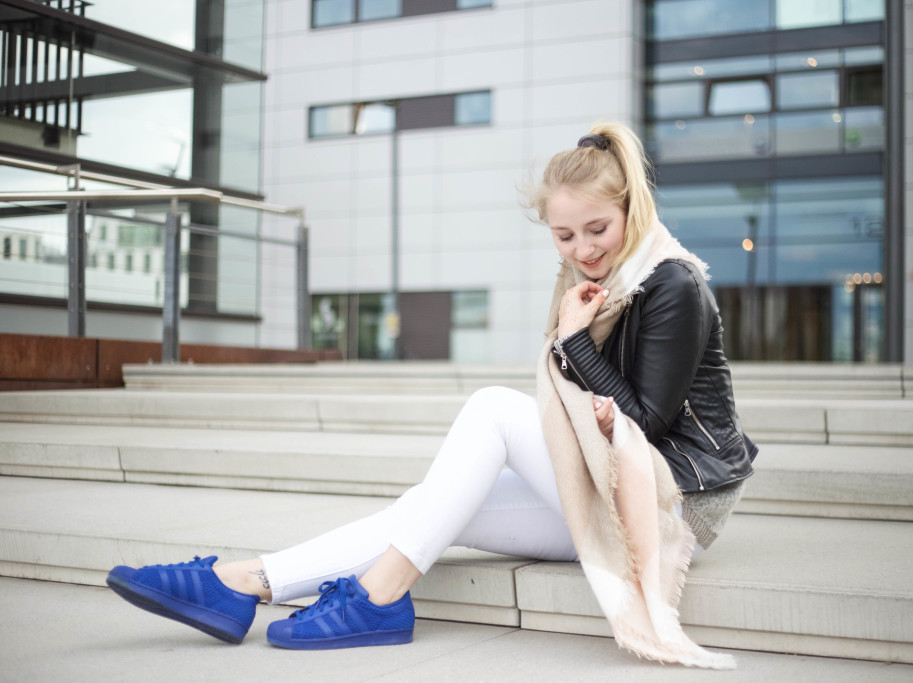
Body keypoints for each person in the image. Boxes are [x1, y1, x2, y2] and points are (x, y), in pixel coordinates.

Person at [106, 122, 756, 668]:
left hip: (678, 502)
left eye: (597, 229)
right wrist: (578, 341)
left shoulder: (673, 284)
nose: (582, 249)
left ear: (630, 212)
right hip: (611, 477)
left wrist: (576, 341)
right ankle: (244, 581)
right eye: (564, 235)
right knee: (434, 505)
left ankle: (380, 595)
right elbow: (592, 403)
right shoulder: (596, 282)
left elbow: (641, 421)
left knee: (493, 410)